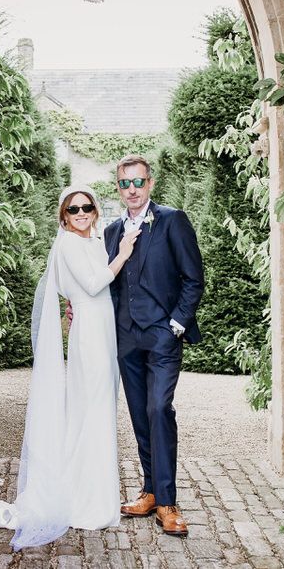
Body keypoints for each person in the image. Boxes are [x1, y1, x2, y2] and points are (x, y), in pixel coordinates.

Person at [0, 185, 141, 549]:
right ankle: (85, 501)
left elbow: (90, 288)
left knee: (99, 411)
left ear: (95, 210)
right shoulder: (66, 243)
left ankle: (92, 491)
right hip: (90, 337)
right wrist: (124, 253)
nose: (81, 213)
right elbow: (94, 284)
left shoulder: (93, 242)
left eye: (87, 207)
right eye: (73, 209)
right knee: (90, 410)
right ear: (64, 215)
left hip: (104, 330)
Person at [103, 154, 204, 537]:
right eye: (125, 183)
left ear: (150, 183)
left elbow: (194, 277)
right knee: (140, 415)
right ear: (118, 187)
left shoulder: (172, 220)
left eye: (138, 182)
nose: (132, 190)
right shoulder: (112, 232)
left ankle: (168, 502)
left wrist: (176, 324)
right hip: (126, 337)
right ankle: (149, 490)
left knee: (159, 407)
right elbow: (107, 284)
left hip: (163, 334)